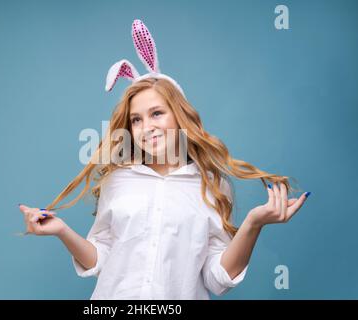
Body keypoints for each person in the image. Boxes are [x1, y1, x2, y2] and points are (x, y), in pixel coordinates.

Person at [18, 19, 310, 300]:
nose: (147, 127)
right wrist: (62, 231)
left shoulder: (212, 186)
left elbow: (216, 279)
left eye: (157, 113)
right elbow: (103, 258)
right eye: (136, 119)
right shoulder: (118, 181)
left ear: (179, 116)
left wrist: (253, 224)